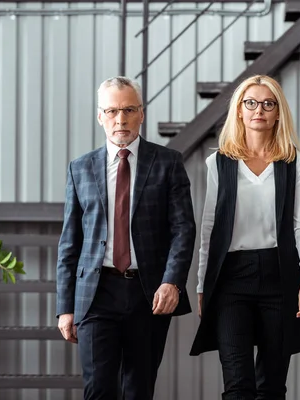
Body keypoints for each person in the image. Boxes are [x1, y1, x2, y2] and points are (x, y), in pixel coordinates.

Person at [56, 76, 196, 399]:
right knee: (98, 389)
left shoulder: (168, 163)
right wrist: (65, 306)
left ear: (142, 114)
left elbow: (183, 230)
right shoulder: (80, 169)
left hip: (148, 293)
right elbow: (69, 243)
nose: (121, 119)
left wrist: (172, 281)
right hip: (95, 293)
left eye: (129, 110)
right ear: (100, 116)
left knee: (138, 389)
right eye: (112, 111)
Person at [190, 75, 300, 400]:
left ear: (278, 113)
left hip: (280, 277)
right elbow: (209, 227)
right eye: (251, 103)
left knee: (272, 387)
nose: (258, 109)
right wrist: (203, 285)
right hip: (231, 279)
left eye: (267, 103)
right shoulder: (219, 163)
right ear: (239, 111)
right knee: (238, 386)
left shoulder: (293, 163)